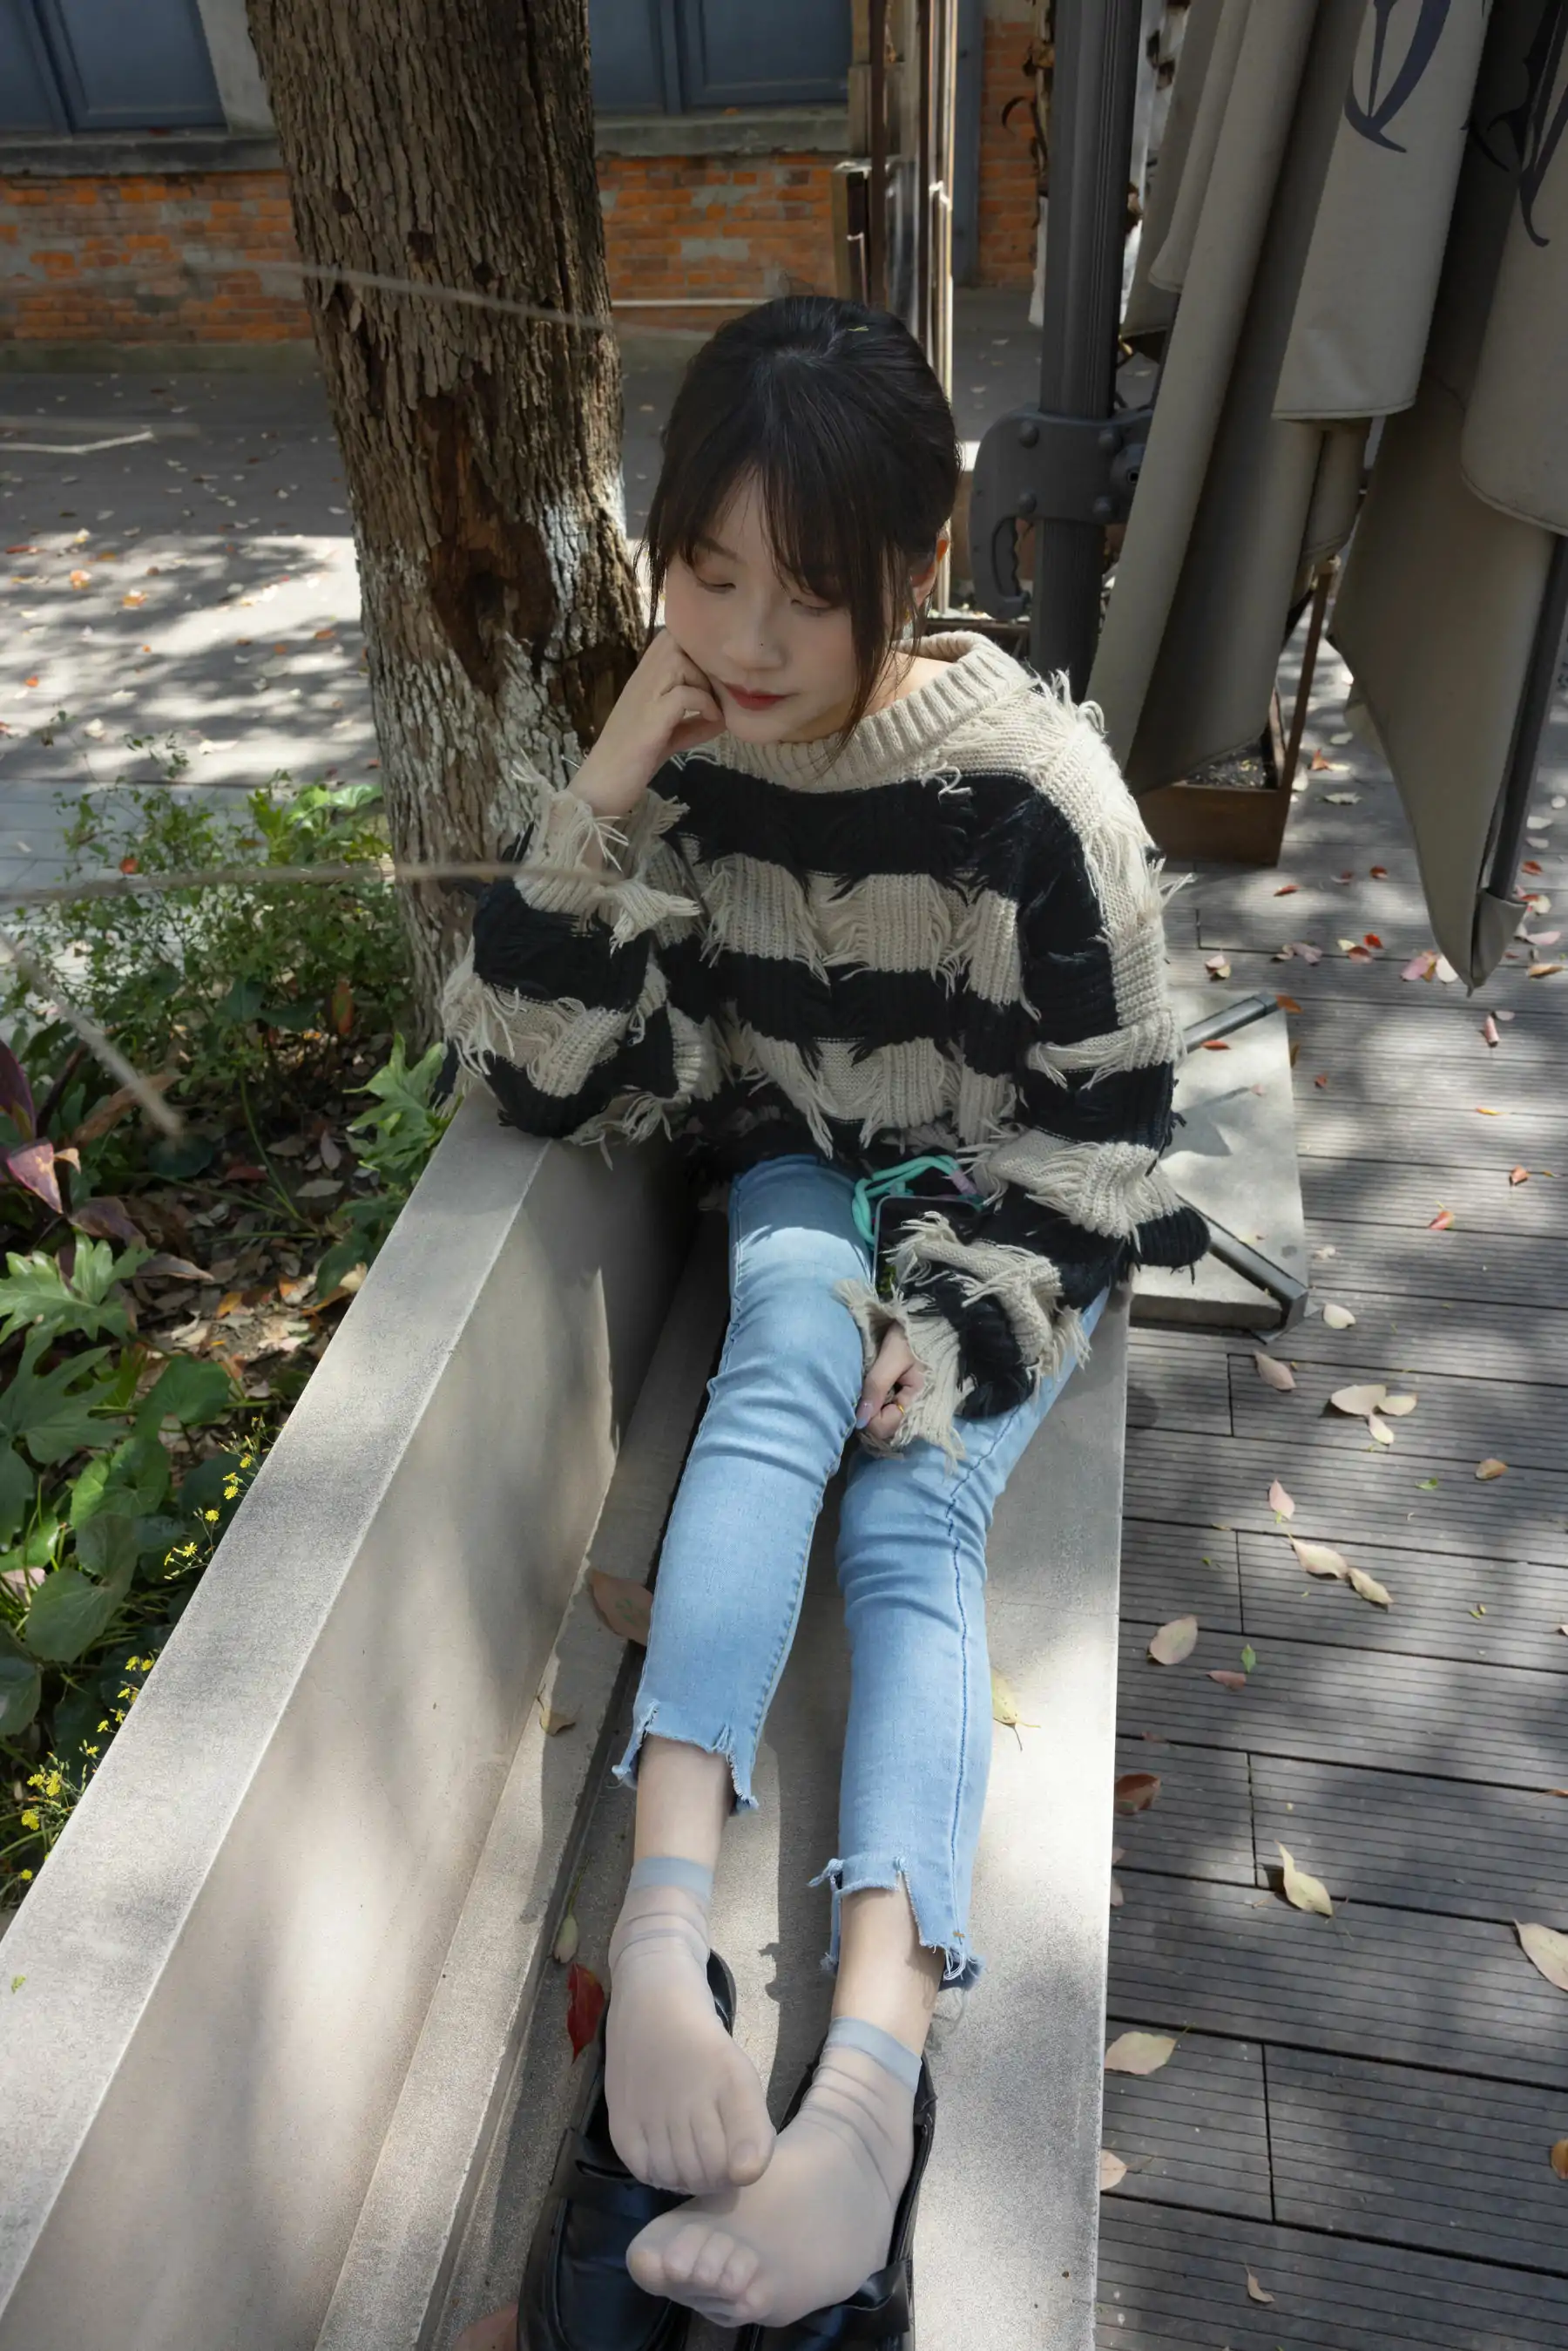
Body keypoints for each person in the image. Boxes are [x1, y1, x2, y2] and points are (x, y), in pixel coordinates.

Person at [442, 294, 1206, 2351]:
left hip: (1001, 1207)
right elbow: (529, 1068)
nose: (749, 638)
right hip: (801, 1168)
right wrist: (609, 778)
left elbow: (1116, 1129)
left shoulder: (1034, 793)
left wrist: (961, 1318)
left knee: (909, 1514)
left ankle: (867, 2093)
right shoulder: (695, 762)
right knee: (773, 1365)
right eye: (707, 574)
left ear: (918, 568)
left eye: (808, 589)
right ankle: (663, 1931)